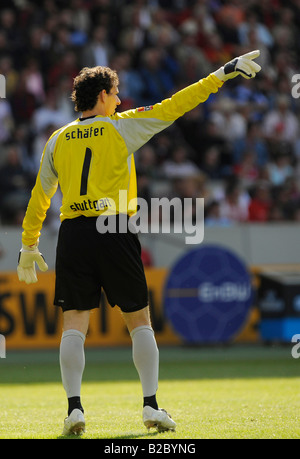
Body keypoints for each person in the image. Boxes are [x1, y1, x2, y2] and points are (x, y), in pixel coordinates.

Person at [17, 50, 261, 436]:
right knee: (138, 320)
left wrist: (29, 244)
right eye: (115, 93)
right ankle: (150, 405)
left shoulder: (56, 139)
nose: (120, 99)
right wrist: (220, 74)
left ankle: (74, 409)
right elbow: (174, 106)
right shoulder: (120, 127)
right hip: (114, 228)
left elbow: (39, 197)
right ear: (101, 96)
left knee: (74, 325)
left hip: (73, 233)